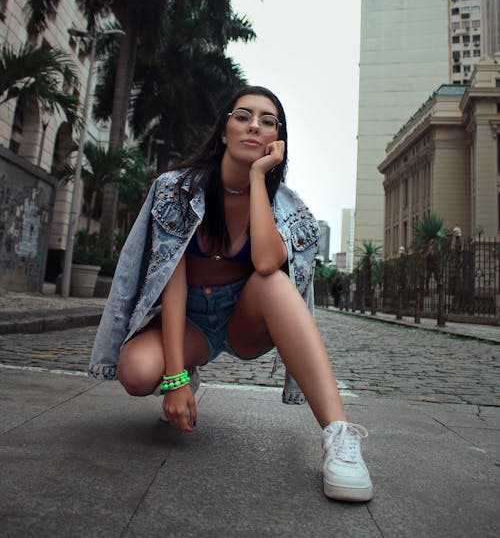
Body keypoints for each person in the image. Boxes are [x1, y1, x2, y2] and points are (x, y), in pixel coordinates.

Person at [89, 86, 373, 502]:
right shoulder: (176, 190)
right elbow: (172, 281)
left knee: (274, 279)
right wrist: (175, 377)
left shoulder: (289, 208)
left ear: (278, 141)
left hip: (244, 320)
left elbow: (264, 263)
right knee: (136, 373)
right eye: (243, 116)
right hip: (191, 321)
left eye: (267, 120)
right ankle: (189, 369)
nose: (254, 124)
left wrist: (259, 177)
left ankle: (339, 438)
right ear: (224, 132)